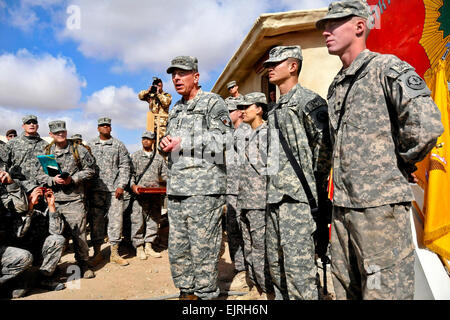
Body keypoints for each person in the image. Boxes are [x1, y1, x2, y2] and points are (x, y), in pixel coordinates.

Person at [316, 0, 444, 300]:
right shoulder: (336, 86)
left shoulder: (387, 69)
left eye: (334, 24)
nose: (326, 32)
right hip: (344, 207)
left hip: (380, 209)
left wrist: (397, 163)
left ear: (360, 26)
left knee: (385, 293)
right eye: (324, 26)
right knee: (347, 289)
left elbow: (426, 125)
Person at [263, 45, 332, 300]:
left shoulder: (309, 102)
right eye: (269, 65)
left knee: (299, 273)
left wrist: (313, 186)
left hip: (299, 200)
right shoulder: (275, 109)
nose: (270, 68)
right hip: (275, 198)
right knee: (278, 270)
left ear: (293, 66)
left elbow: (324, 148)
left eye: (276, 63)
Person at [161, 55, 232, 300]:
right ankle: (186, 292)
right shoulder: (176, 108)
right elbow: (172, 144)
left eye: (182, 73)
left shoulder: (213, 103)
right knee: (179, 248)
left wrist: (186, 142)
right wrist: (165, 143)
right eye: (174, 74)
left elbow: (225, 139)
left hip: (204, 190)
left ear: (196, 76)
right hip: (178, 188)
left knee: (203, 248)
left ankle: (205, 296)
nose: (177, 78)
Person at [37, 120, 96, 279]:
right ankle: (52, 267)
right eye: (57, 133)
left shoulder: (78, 150)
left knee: (80, 235)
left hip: (74, 199)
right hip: (54, 201)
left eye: (63, 132)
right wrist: (53, 180)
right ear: (51, 135)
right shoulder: (46, 151)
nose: (60, 135)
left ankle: (84, 264)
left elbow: (91, 171)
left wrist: (73, 179)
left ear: (66, 132)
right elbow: (38, 175)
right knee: (55, 236)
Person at [0, 170, 66, 297]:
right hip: (20, 254)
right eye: (31, 193)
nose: (37, 196)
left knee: (58, 239)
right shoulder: (14, 210)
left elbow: (56, 231)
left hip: (37, 252)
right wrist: (29, 209)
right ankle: (20, 282)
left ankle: (44, 277)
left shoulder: (44, 209)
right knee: (20, 290)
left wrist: (52, 206)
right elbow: (19, 233)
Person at [234, 93, 273, 300]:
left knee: (261, 248)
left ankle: (267, 291)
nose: (242, 111)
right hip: (244, 199)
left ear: (259, 108)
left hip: (260, 201)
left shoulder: (269, 133)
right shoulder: (246, 134)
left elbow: (272, 169)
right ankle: (255, 286)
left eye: (246, 106)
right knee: (248, 246)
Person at [87, 117, 131, 267]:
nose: (105, 127)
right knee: (95, 222)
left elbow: (125, 166)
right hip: (95, 190)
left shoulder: (119, 145)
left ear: (111, 128)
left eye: (108, 125)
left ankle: (114, 253)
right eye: (102, 125)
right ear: (98, 128)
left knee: (116, 221)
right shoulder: (90, 145)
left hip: (114, 191)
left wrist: (121, 185)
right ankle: (97, 253)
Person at [129, 131, 167, 260]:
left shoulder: (158, 158)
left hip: (155, 195)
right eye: (144, 139)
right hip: (139, 195)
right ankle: (139, 247)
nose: (146, 141)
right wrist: (133, 186)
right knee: (137, 221)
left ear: (153, 141)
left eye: (149, 139)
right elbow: (130, 174)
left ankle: (149, 245)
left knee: (153, 220)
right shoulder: (135, 156)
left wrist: (167, 185)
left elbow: (165, 174)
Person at [223, 99, 248, 290]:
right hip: (230, 190)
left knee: (245, 232)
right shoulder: (230, 135)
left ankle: (248, 273)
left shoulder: (247, 133)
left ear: (240, 112)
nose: (226, 114)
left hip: (244, 191)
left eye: (229, 111)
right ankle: (239, 269)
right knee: (233, 232)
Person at [3, 115, 48, 192]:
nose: (31, 124)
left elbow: (48, 167)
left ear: (37, 126)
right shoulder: (12, 143)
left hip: (38, 188)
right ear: (23, 126)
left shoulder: (45, 145)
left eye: (34, 122)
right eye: (28, 122)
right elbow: (4, 163)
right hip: (17, 187)